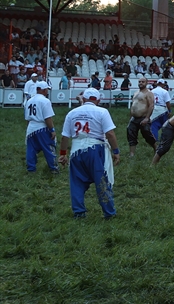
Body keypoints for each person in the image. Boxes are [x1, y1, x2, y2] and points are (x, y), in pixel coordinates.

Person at [58, 88, 120, 218]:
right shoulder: (102, 111)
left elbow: (65, 137)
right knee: (102, 181)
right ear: (97, 100)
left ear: (84, 99)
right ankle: (109, 213)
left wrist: (63, 153)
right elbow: (110, 133)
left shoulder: (72, 113)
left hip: (76, 150)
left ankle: (79, 212)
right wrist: (116, 151)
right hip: (96, 149)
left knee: (76, 183)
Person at [25, 80, 56, 173]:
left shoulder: (29, 101)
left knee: (31, 149)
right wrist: (52, 130)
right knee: (49, 148)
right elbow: (48, 118)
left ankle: (31, 168)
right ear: (44, 90)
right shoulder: (45, 101)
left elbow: (27, 118)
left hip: (31, 127)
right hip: (42, 127)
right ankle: (53, 168)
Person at [125, 78, 157, 156]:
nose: (141, 83)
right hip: (134, 118)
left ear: (146, 83)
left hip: (143, 117)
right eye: (139, 82)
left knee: (147, 134)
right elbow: (133, 106)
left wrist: (147, 118)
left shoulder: (148, 93)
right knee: (130, 134)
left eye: (143, 82)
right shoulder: (136, 93)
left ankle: (157, 150)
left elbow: (151, 105)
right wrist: (130, 117)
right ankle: (132, 154)